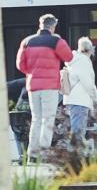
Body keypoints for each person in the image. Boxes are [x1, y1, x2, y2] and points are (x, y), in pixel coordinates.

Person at [14, 14, 73, 157]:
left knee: (36, 119)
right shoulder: (56, 41)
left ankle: (32, 154)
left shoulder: (27, 41)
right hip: (50, 87)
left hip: (33, 87)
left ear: (40, 25)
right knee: (48, 119)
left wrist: (32, 73)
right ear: (53, 26)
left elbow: (20, 65)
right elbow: (69, 57)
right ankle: (43, 153)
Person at [62, 36, 97, 142]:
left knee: (77, 129)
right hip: (80, 100)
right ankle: (75, 154)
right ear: (90, 50)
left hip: (74, 99)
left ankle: (76, 152)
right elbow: (88, 83)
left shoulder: (74, 60)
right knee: (78, 131)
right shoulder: (83, 61)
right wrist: (96, 97)